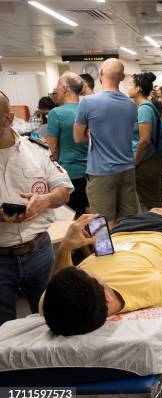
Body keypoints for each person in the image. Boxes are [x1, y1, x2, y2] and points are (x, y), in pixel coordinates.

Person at [40, 175, 162, 336]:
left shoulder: (56, 307)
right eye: (88, 272)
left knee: (156, 212)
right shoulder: (148, 289)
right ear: (107, 298)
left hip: (121, 234)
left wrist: (64, 249)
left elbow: (55, 285)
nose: (83, 268)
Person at [0, 91, 74, 326]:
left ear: (8, 119)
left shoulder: (36, 150)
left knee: (51, 319)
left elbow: (63, 189)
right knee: (3, 330)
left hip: (39, 251)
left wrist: (45, 200)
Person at [74, 58, 139, 229]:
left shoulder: (88, 102)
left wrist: (95, 136)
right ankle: (129, 254)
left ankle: (105, 254)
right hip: (127, 168)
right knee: (129, 219)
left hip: (101, 170)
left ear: (100, 73)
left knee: (102, 223)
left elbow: (78, 137)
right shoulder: (132, 105)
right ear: (122, 77)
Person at [46, 72, 89, 216]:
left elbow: (53, 150)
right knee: (90, 214)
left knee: (73, 217)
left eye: (58, 85)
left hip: (69, 173)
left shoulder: (56, 113)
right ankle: (99, 238)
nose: (55, 89)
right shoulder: (88, 108)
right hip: (91, 171)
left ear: (64, 88)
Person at [127, 72, 162, 211]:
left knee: (153, 204)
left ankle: (160, 230)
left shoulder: (144, 109)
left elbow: (144, 140)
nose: (128, 87)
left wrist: (134, 162)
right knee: (155, 201)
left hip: (147, 162)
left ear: (138, 89)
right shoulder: (146, 107)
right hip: (150, 160)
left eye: (131, 84)